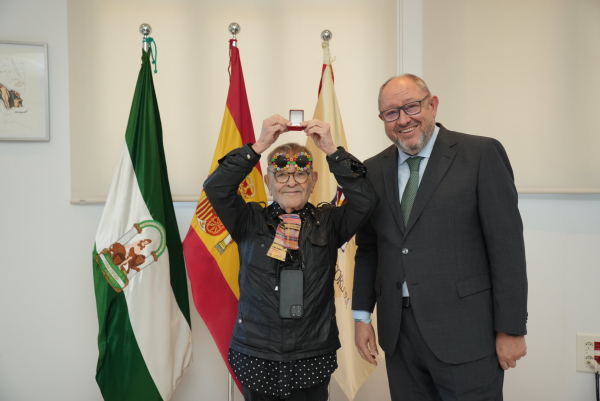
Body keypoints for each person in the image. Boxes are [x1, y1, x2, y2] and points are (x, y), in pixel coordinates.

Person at [352, 74, 528, 400]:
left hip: (466, 333)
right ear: (382, 119)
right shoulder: (373, 170)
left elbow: (507, 248)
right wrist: (362, 316)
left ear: (432, 105)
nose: (403, 119)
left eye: (412, 107)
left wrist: (511, 329)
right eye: (392, 113)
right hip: (399, 335)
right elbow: (369, 249)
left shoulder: (480, 154)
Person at [204, 115, 379, 401]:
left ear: (313, 180)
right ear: (268, 181)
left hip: (312, 355)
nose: (291, 182)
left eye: (301, 173)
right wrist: (259, 146)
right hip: (256, 354)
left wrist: (333, 151)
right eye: (281, 174)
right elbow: (216, 187)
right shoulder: (247, 221)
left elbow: (366, 200)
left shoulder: (331, 223)